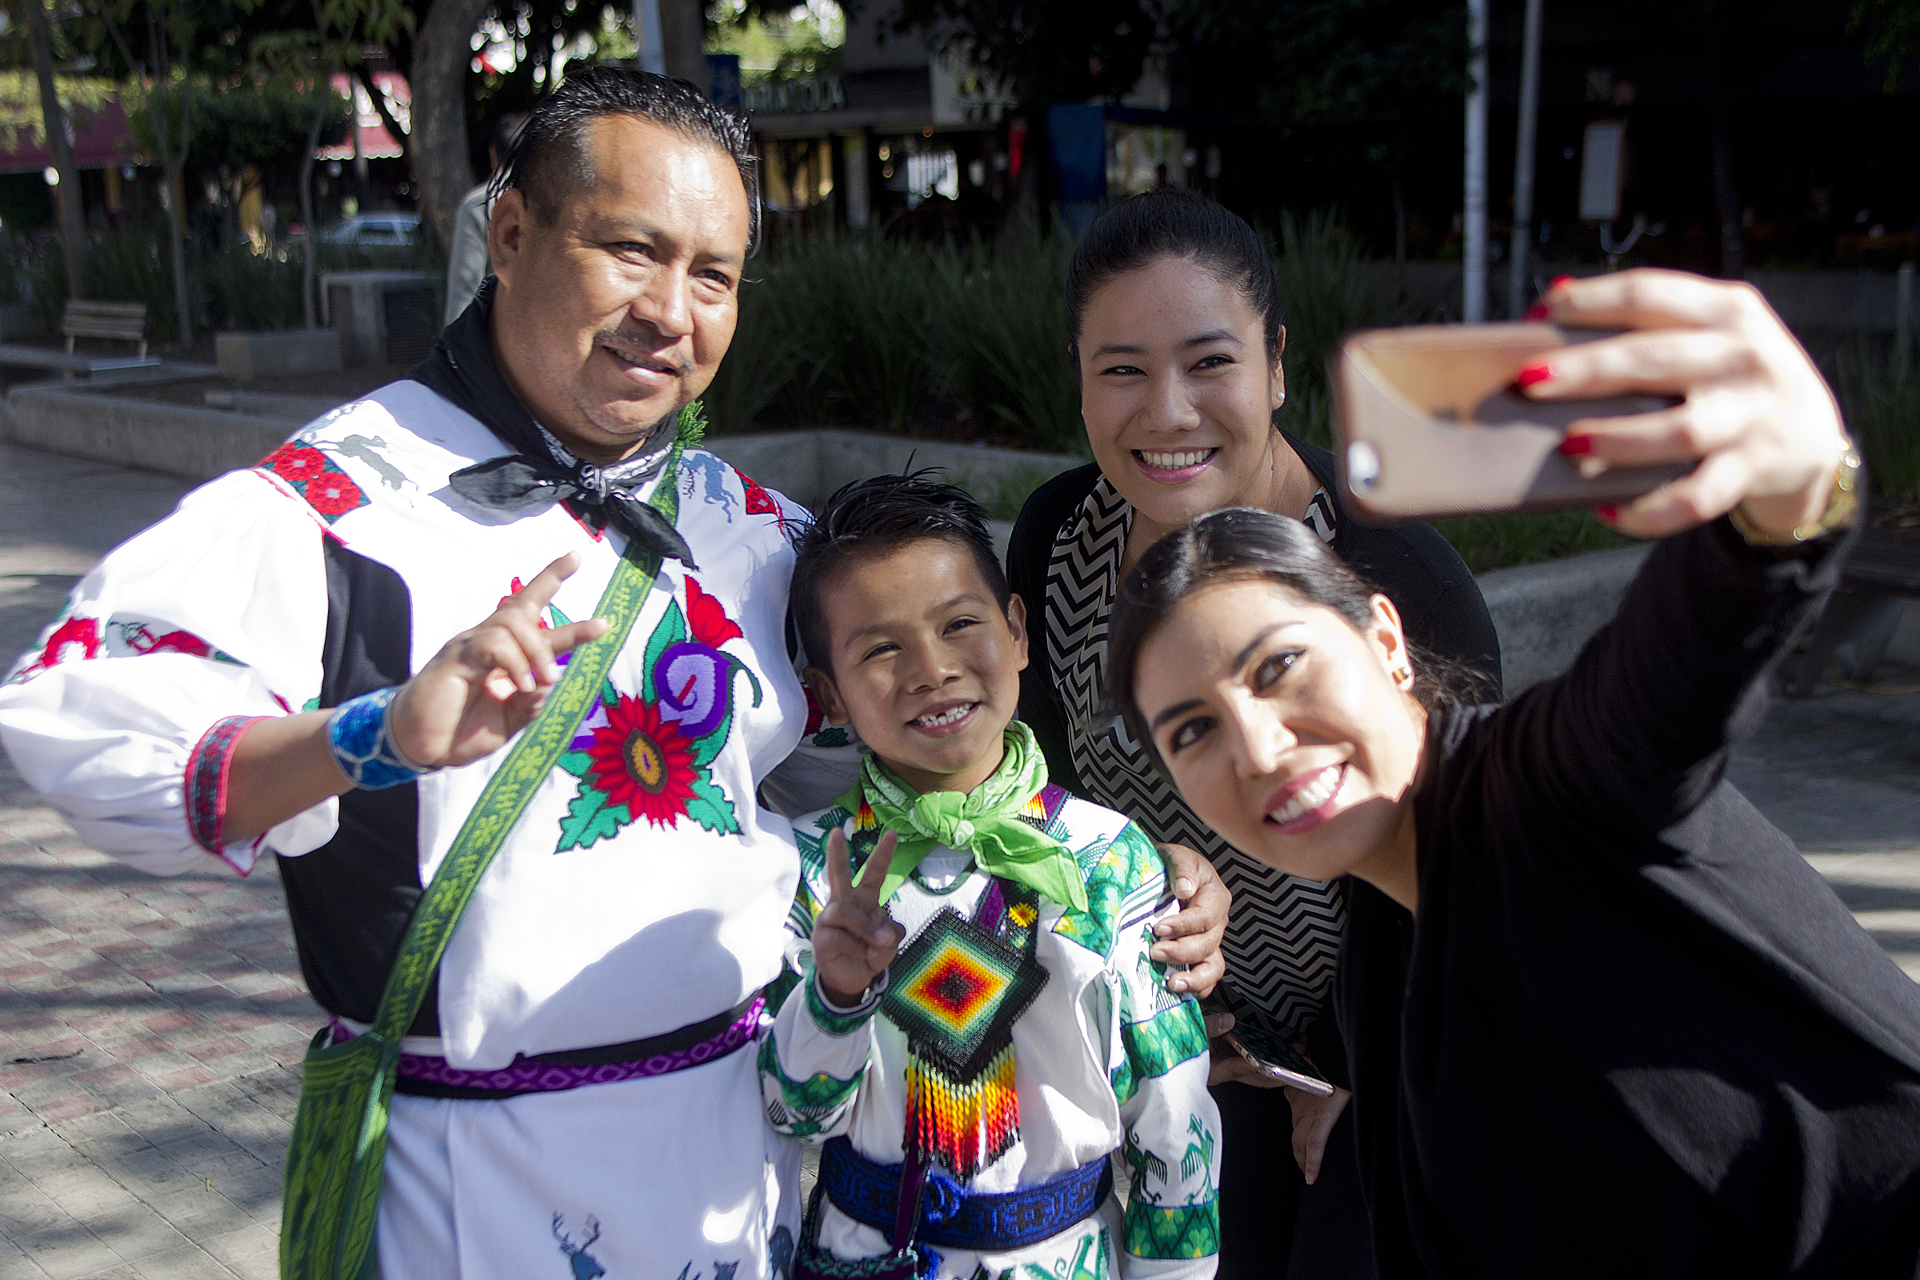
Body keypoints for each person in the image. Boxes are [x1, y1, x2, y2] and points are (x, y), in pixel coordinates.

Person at [0, 69, 1231, 1280]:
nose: (670, 311)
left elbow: (936, 734)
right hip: (471, 1168)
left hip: (733, 1147)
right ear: (514, 231)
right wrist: (372, 734)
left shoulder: (758, 536)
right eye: (630, 251)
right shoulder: (341, 505)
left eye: (714, 276)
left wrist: (1145, 864)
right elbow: (87, 721)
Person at [1107, 270, 1920, 1278]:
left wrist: (1786, 489)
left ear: (1387, 640)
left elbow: (1671, 670)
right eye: (1191, 730)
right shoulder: (1387, 930)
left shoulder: (1540, 792)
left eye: (1278, 666)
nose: (1258, 748)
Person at [1006, 189, 1498, 1280]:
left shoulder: (1391, 575)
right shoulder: (1057, 543)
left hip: (1391, 1044)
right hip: (1188, 1040)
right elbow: (1042, 795)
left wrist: (1363, 1074)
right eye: (1122, 368)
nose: (1168, 412)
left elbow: (1470, 866)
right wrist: (1154, 920)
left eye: (1209, 362)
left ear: (1277, 364)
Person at [763, 474, 1219, 1279]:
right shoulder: (807, 871)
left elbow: (1173, 1112)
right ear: (827, 695)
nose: (931, 670)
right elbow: (789, 1110)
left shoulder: (1106, 860)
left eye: (960, 624)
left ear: (1017, 633)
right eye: (881, 648)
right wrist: (834, 1002)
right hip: (858, 1257)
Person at [444, 111, 528, 327]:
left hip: (499, 340)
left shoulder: (478, 205)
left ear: (493, 155)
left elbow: (465, 287)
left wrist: (455, 354)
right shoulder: (558, 203)